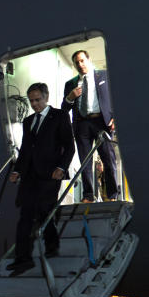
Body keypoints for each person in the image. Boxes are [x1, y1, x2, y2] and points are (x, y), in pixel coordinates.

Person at [7, 83, 76, 275]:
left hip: (50, 173)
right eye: (31, 101)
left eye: (38, 100)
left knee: (45, 210)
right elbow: (26, 151)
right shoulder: (28, 121)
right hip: (30, 175)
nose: (35, 104)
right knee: (25, 216)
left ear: (46, 97)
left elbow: (69, 146)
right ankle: (23, 258)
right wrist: (17, 171)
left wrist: (61, 167)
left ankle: (52, 245)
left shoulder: (60, 116)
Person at [62, 49, 118, 202]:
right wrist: (70, 97)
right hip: (81, 124)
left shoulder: (105, 76)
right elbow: (64, 108)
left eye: (82, 60)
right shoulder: (70, 84)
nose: (80, 65)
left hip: (102, 122)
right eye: (76, 62)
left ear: (88, 59)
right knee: (85, 161)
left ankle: (112, 195)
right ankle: (88, 196)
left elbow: (116, 96)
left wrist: (115, 117)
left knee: (108, 159)